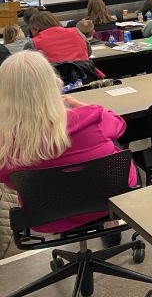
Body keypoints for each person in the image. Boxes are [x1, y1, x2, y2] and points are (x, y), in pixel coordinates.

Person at [0, 51, 135, 234]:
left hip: (46, 217)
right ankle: (109, 224)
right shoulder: (90, 117)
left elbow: (10, 182)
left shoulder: (6, 141)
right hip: (109, 200)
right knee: (114, 146)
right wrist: (80, 104)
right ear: (54, 83)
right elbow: (119, 124)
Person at [25, 11, 96, 67]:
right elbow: (88, 52)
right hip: (86, 77)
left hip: (54, 82)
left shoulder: (33, 43)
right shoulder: (77, 32)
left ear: (35, 28)